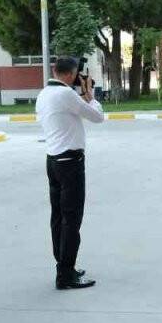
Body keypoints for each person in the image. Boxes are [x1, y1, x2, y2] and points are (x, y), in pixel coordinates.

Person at [35, 57, 106, 291]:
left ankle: (63, 265)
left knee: (58, 217)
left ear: (55, 70)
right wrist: (90, 95)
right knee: (72, 219)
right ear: (73, 74)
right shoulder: (66, 95)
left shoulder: (44, 94)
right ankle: (66, 274)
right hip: (71, 163)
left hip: (53, 161)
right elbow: (97, 117)